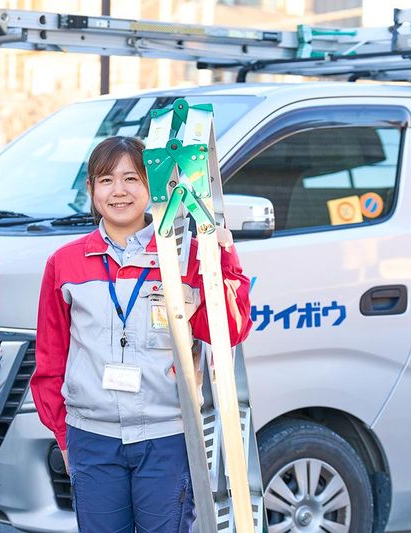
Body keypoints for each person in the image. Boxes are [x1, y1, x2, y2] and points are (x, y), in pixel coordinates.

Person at [31, 136, 252, 532]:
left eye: (131, 178)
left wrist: (223, 258)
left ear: (152, 187)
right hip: (92, 438)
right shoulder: (64, 263)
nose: (119, 191)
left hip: (166, 437)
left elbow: (229, 331)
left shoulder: (181, 256)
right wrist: (64, 436)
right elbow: (50, 360)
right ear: (91, 191)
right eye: (106, 180)